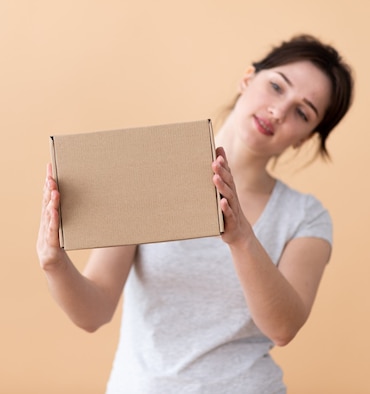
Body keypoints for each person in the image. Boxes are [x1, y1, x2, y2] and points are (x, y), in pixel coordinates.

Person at [36, 34, 354, 393]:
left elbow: (283, 328)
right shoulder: (148, 172)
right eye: (276, 86)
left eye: (302, 112)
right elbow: (93, 314)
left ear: (305, 138)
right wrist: (54, 262)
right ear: (248, 78)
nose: (278, 111)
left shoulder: (305, 216)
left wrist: (241, 237)